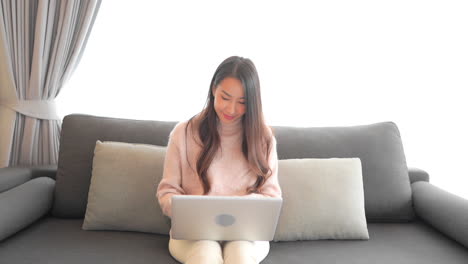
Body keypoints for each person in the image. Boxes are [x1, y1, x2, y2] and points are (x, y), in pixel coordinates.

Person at [156, 55, 282, 264]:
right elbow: (167, 191)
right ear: (214, 89)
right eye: (225, 97)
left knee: (241, 256)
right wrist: (190, 209)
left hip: (247, 235)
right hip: (194, 234)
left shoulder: (263, 138)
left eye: (242, 102)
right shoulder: (183, 133)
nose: (231, 110)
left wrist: (246, 207)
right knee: (205, 255)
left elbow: (272, 196)